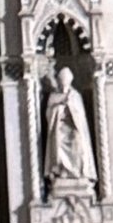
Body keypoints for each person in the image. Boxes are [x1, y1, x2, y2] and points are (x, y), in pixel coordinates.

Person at [43, 60, 96, 190]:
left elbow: (81, 118)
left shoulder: (75, 96)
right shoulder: (54, 96)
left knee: (79, 144)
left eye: (66, 82)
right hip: (59, 130)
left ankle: (77, 173)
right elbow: (49, 114)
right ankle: (62, 172)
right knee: (57, 146)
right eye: (62, 82)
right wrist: (59, 108)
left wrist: (70, 106)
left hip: (73, 129)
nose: (64, 85)